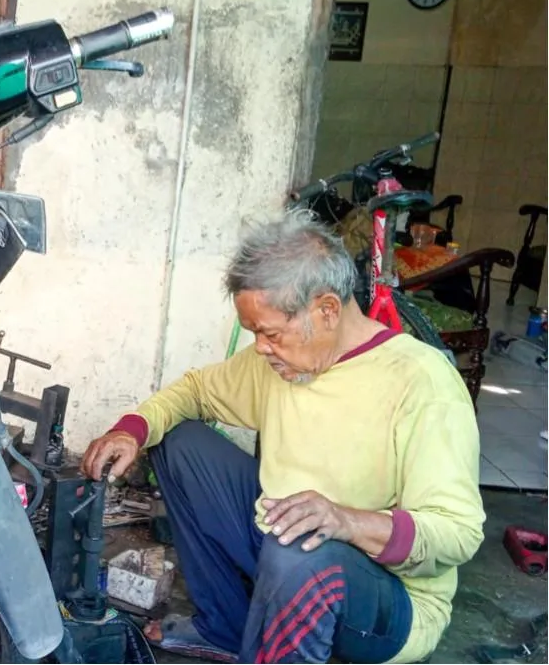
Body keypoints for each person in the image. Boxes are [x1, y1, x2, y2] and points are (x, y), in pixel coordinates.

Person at [82, 211, 484, 664]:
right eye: (255, 332)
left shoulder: (421, 381)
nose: (260, 347)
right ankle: (225, 628)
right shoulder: (277, 362)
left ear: (327, 310)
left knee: (300, 551)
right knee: (181, 444)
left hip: (383, 599)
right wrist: (131, 429)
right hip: (284, 550)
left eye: (270, 333)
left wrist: (346, 521)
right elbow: (195, 391)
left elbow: (457, 533)